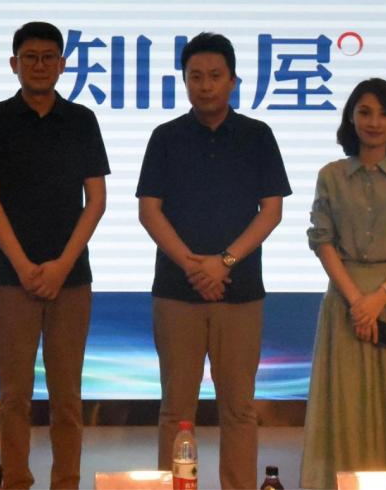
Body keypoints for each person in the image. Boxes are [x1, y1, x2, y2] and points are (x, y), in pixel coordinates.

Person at [135, 32, 290, 490]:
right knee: (175, 410)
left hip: (240, 293)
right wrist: (192, 265)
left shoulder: (258, 136)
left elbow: (272, 210)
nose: (205, 85)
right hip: (176, 292)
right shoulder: (165, 138)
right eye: (196, 77)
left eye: (215, 76)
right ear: (184, 81)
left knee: (239, 409)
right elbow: (149, 211)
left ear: (233, 80)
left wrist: (223, 263)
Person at [0, 22, 109, 490]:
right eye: (30, 57)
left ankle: (65, 481)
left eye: (49, 56)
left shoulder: (82, 120)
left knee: (67, 396)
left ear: (63, 64)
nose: (39, 65)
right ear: (14, 64)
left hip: (72, 277)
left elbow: (96, 200)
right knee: (14, 396)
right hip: (13, 277)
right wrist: (25, 266)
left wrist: (62, 265)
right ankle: (16, 481)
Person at [299, 79, 386, 489]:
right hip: (344, 305)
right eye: (364, 112)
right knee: (346, 406)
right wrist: (356, 303)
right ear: (351, 118)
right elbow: (322, 240)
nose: (374, 122)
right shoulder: (331, 175)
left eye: (384, 113)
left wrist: (379, 298)